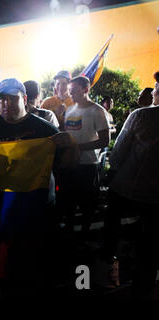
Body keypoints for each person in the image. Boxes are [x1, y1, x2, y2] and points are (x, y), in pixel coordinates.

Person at [0, 78, 78, 293]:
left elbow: (67, 164)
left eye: (12, 99)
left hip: (36, 204)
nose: (6, 104)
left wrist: (71, 146)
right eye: (1, 99)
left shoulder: (44, 129)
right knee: (5, 256)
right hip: (2, 204)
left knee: (33, 256)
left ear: (24, 99)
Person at [105, 71, 159, 297]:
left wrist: (111, 173)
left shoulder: (141, 116)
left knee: (112, 226)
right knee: (151, 243)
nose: (153, 90)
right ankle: (144, 283)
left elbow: (117, 155)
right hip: (155, 197)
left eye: (156, 86)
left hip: (129, 188)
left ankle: (109, 266)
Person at [60, 76, 110, 235]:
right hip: (69, 165)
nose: (70, 94)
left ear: (86, 90)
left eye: (73, 91)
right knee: (68, 203)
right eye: (69, 91)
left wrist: (79, 147)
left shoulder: (97, 111)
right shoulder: (69, 110)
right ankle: (69, 233)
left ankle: (85, 234)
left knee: (88, 204)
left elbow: (105, 141)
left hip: (88, 165)